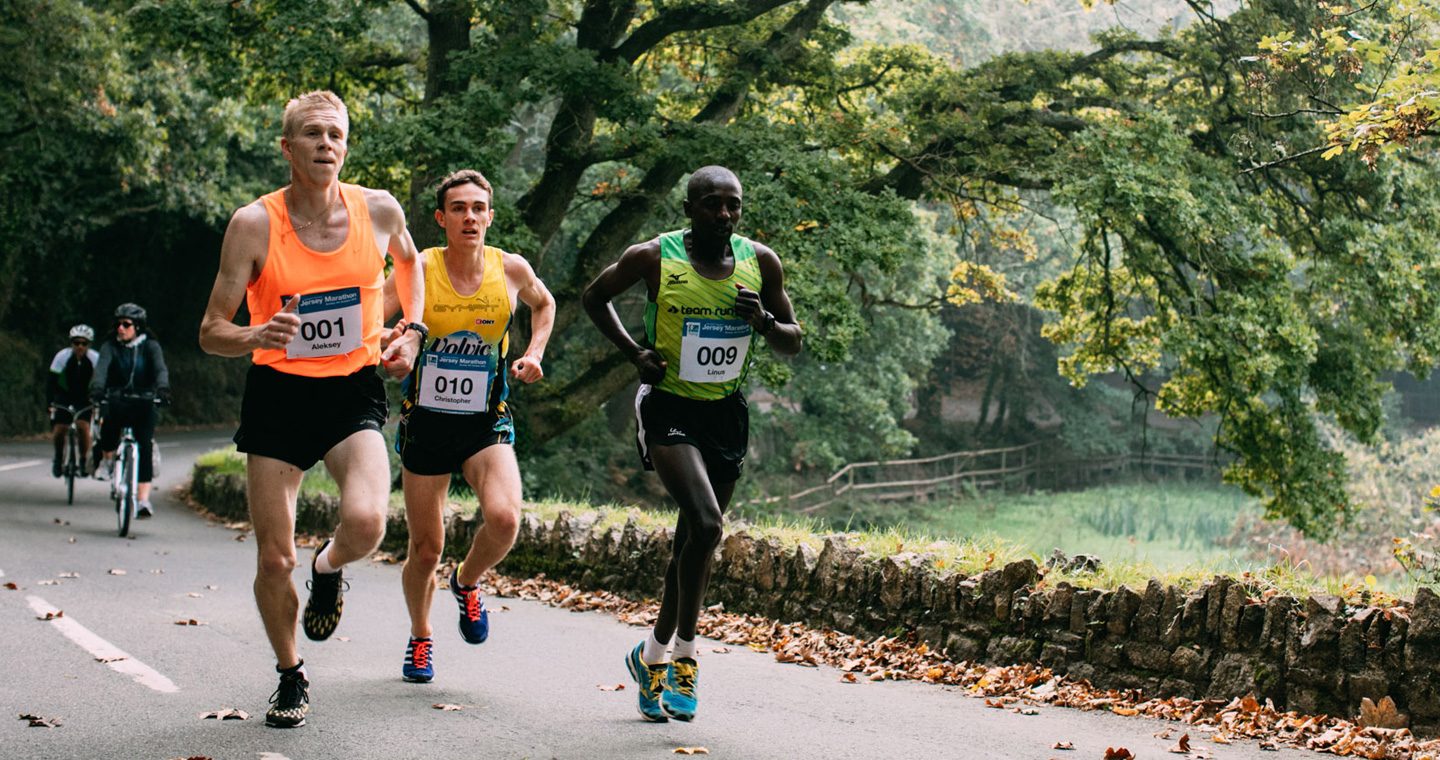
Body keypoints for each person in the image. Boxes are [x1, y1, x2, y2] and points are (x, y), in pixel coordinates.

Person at [198, 90, 424, 729]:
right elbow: (211, 331)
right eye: (313, 134)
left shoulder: (378, 210)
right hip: (278, 395)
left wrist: (412, 331)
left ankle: (329, 568)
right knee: (275, 559)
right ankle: (291, 673)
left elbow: (411, 265)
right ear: (287, 147)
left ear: (345, 146)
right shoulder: (253, 224)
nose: (326, 144)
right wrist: (255, 334)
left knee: (368, 524)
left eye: (336, 135)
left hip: (351, 389)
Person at [582, 165, 801, 722]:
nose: (724, 214)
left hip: (725, 414)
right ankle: (685, 656)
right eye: (712, 203)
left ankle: (650, 655)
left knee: (690, 546)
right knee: (706, 524)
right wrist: (634, 353)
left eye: (733, 204)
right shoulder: (654, 257)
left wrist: (764, 322)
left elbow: (793, 341)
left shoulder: (762, 262)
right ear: (689, 208)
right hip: (669, 407)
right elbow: (594, 297)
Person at [383, 169, 554, 684]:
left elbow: (545, 304)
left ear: (490, 216)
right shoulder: (419, 269)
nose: (469, 217)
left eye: (478, 208)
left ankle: (466, 581)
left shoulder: (511, 269)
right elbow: (373, 316)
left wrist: (534, 352)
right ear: (441, 218)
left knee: (505, 519)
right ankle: (420, 637)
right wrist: (390, 342)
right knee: (425, 549)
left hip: (485, 420)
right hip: (427, 422)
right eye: (458, 208)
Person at [90, 304, 170, 518]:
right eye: (118, 324)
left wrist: (162, 389)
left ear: (138, 327)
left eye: (126, 324)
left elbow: (160, 369)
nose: (120, 328)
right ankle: (107, 461)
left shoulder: (150, 346)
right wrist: (97, 389)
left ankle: (143, 501)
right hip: (116, 398)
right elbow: (101, 370)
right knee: (108, 427)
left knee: (145, 446)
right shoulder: (110, 346)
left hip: (144, 400)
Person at [48, 324, 98, 478]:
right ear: (71, 344)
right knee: (59, 430)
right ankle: (58, 459)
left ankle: (83, 460)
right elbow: (51, 382)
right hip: (64, 396)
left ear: (89, 345)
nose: (80, 347)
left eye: (84, 343)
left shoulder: (95, 358)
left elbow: (102, 381)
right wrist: (49, 403)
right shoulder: (62, 357)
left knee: (83, 427)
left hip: (85, 398)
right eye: (76, 343)